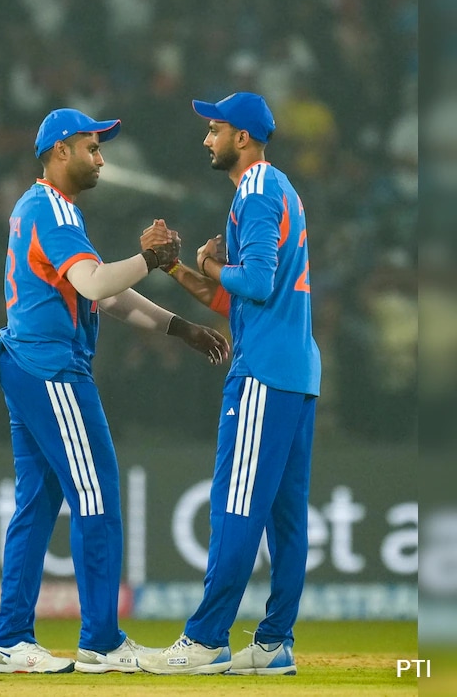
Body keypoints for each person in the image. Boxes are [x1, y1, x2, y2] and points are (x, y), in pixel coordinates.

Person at [0, 108, 229, 675]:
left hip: (26, 363)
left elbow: (101, 293)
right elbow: (94, 284)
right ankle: (101, 641)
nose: (101, 158)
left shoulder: (42, 207)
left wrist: (179, 327)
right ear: (60, 150)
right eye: (92, 147)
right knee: (98, 498)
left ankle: (10, 639)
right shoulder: (53, 208)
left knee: (37, 504)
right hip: (52, 368)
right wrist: (150, 259)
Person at [138, 92, 320, 676]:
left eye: (214, 129)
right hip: (295, 372)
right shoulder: (279, 188)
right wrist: (179, 268)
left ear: (242, 137)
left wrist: (214, 264)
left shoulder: (257, 190)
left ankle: (206, 639)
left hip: (263, 374)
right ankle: (273, 644)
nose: (206, 138)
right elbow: (236, 301)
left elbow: (256, 284)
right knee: (286, 519)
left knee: (236, 507)